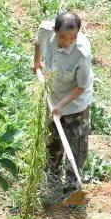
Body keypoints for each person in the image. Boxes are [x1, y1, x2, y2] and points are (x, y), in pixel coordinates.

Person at [32, 12, 94, 194]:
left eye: (72, 38)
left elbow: (81, 87)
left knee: (75, 145)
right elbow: (38, 42)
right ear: (54, 31)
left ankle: (72, 189)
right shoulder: (45, 30)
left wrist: (61, 106)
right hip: (54, 96)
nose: (67, 42)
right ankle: (51, 179)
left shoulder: (82, 54)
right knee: (52, 141)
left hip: (75, 104)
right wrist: (36, 61)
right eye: (62, 37)